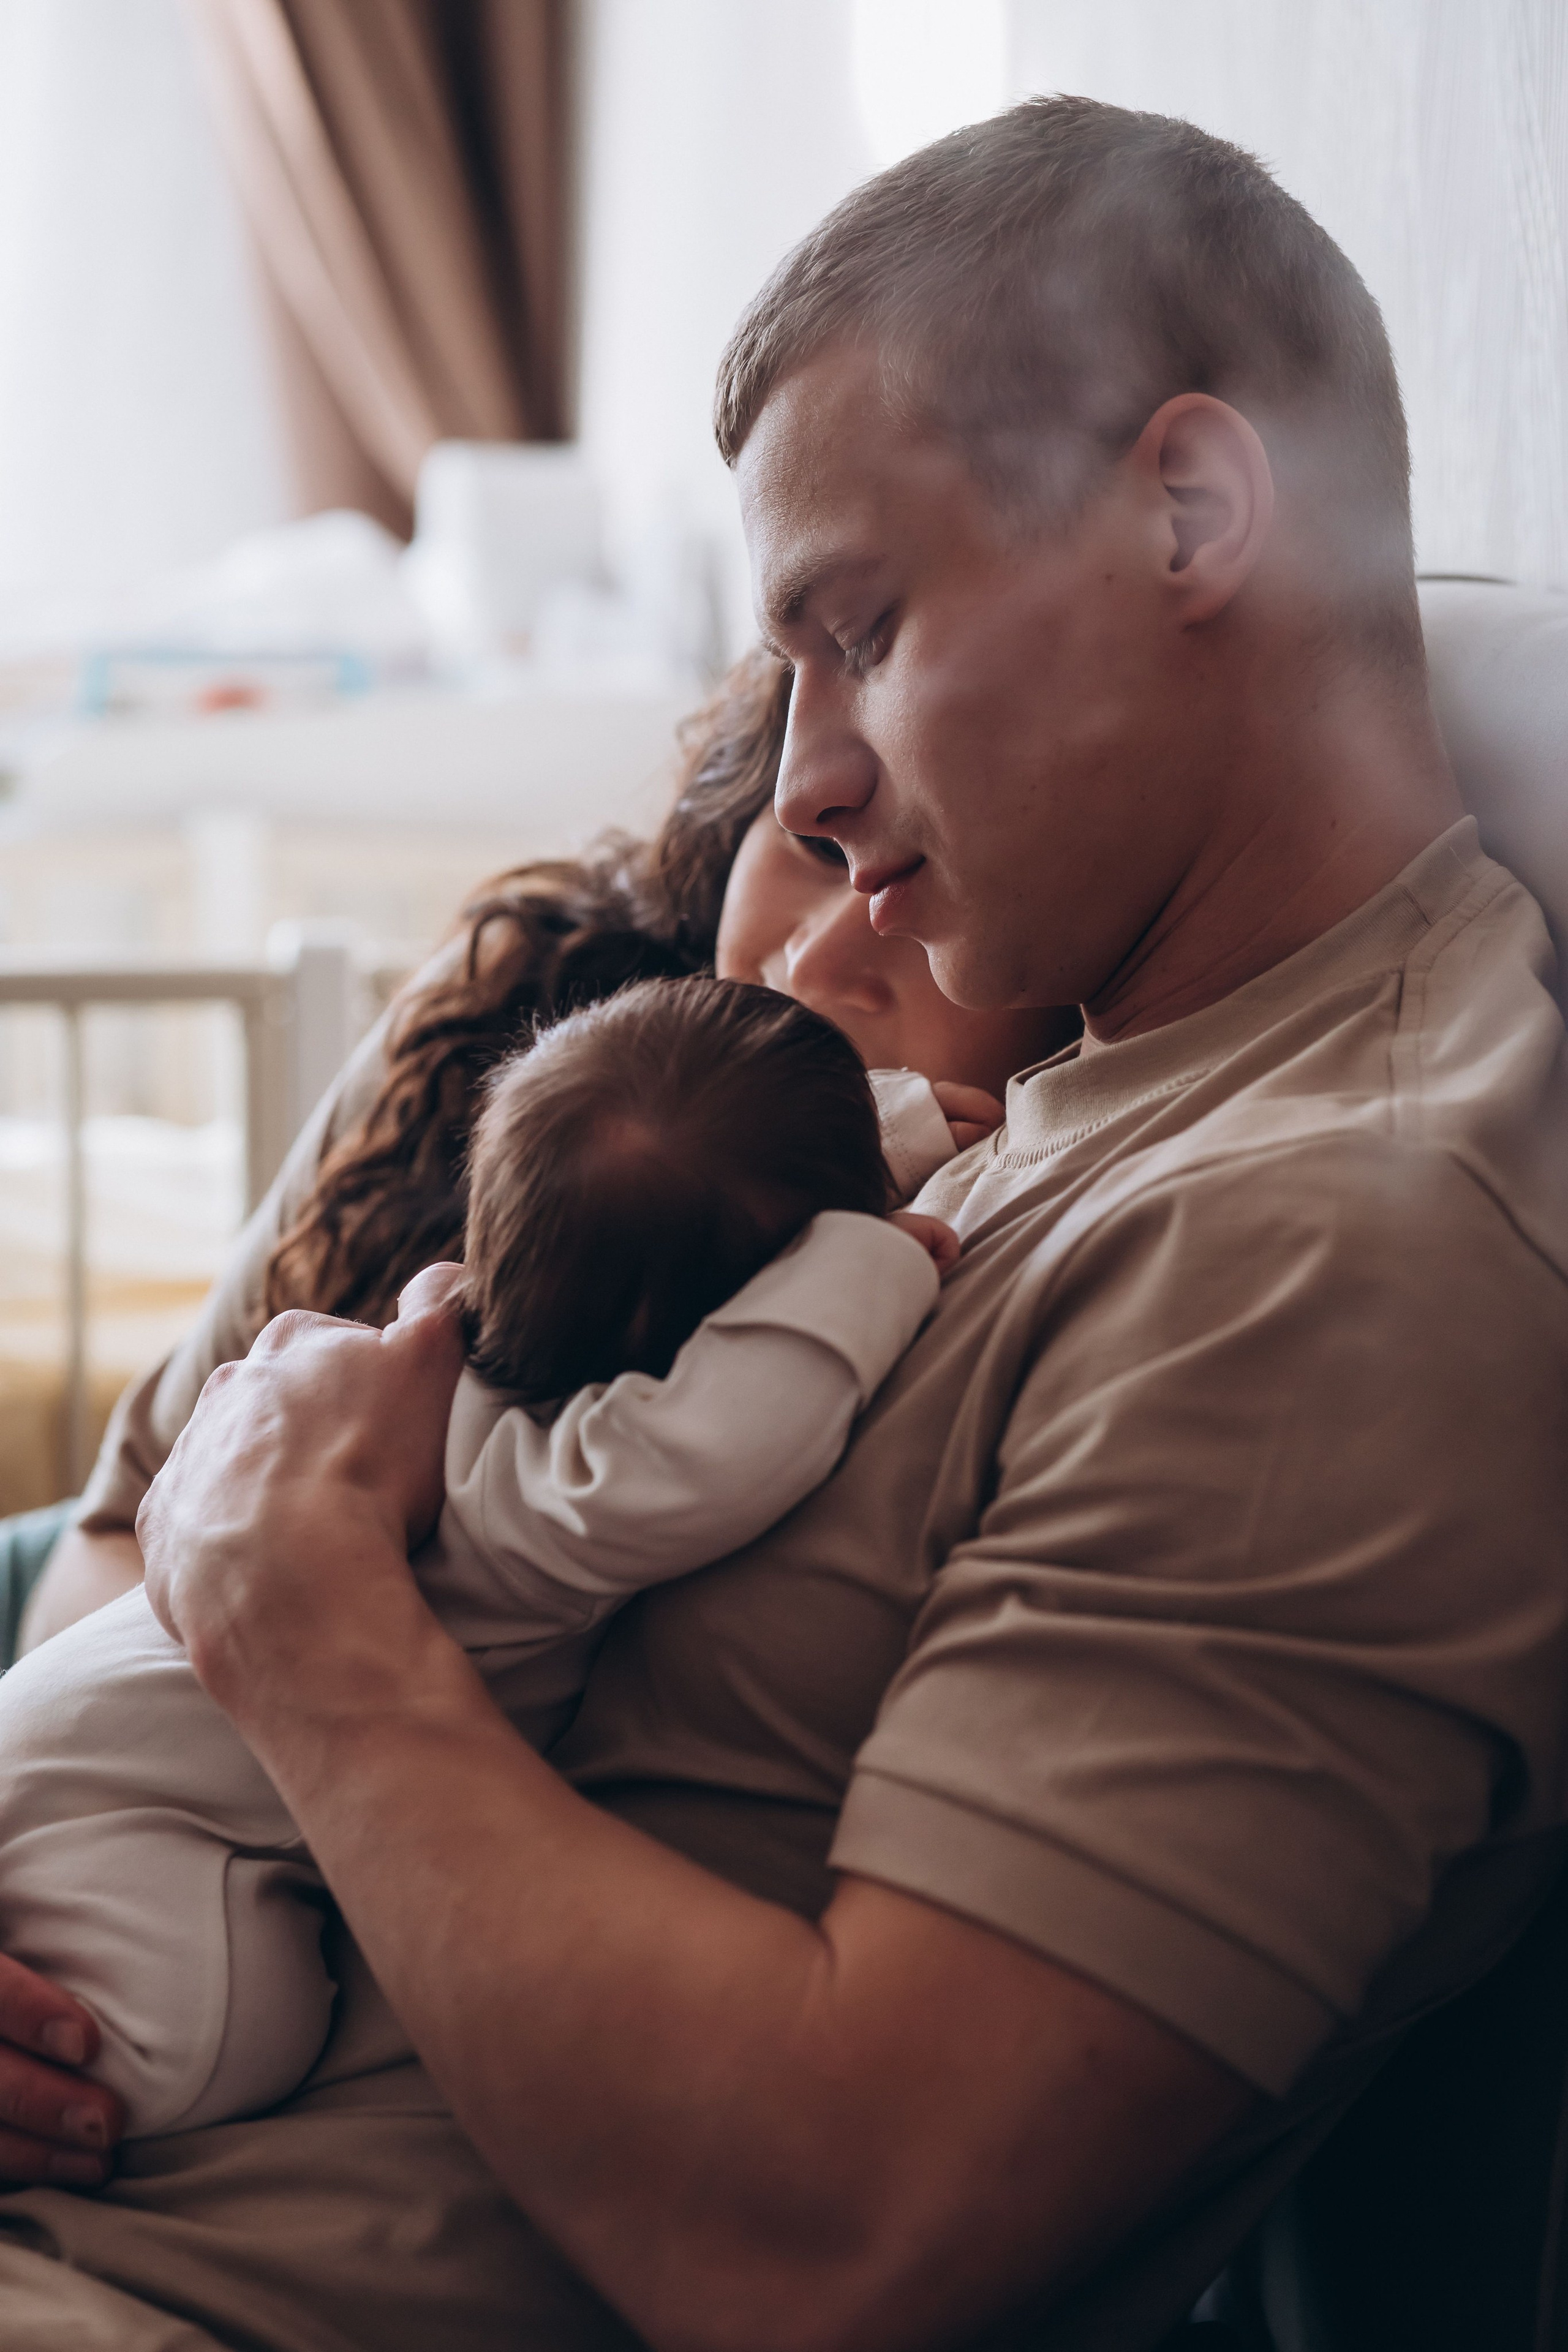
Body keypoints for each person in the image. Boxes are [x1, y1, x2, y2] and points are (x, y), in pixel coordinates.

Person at [2, 92, 1565, 2352]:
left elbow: (837, 2246)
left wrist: (301, 1618)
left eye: (866, 627)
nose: (805, 773)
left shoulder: (1327, 1240)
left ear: (1193, 510)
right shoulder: (1031, 1098)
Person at [0, 978, 954, 2138]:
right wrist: (871, 1253)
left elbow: (709, 1171)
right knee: (231, 2040)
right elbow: (725, 1436)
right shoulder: (536, 1486)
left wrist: (886, 1142)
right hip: (114, 1812)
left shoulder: (498, 1308)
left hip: (68, 1713)